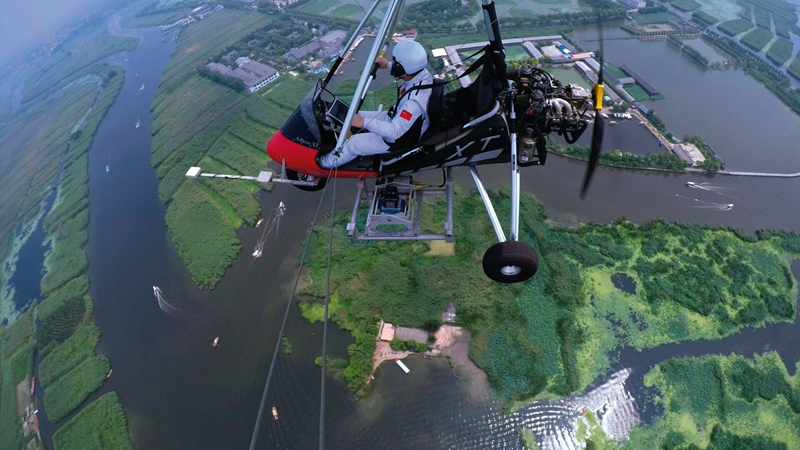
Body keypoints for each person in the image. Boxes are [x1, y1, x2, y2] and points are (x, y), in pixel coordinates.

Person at [319, 40, 434, 169]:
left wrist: (364, 123)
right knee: (355, 116)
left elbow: (395, 132)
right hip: (398, 119)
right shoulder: (422, 75)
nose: (394, 66)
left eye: (396, 64)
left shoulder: (413, 103)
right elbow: (408, 70)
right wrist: (389, 65)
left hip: (399, 139)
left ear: (402, 69)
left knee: (354, 143)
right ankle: (335, 139)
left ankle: (324, 164)